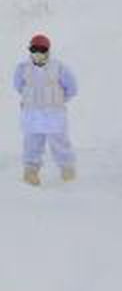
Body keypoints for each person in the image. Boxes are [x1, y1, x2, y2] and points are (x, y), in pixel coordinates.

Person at [14, 34, 77, 186]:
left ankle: (67, 170)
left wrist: (58, 100)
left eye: (41, 49)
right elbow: (18, 86)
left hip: (53, 113)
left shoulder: (59, 67)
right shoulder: (23, 68)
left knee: (60, 142)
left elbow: (72, 88)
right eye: (34, 49)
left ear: (47, 50)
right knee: (32, 143)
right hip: (32, 114)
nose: (37, 53)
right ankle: (31, 172)